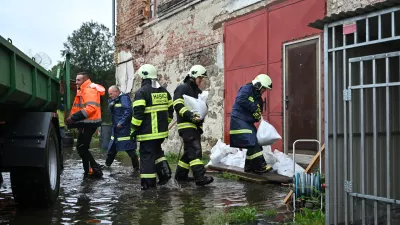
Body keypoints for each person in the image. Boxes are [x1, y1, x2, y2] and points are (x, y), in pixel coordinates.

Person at [130, 64, 174, 190]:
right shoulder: (164, 92)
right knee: (157, 152)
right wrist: (164, 123)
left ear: (144, 76)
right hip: (161, 133)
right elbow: (170, 110)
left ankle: (148, 185)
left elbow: (138, 115)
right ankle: (165, 174)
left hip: (147, 133)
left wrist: (133, 129)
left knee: (147, 157)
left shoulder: (142, 92)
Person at [173, 65, 214, 186]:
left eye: (202, 78)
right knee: (195, 150)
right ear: (193, 76)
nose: (201, 80)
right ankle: (200, 177)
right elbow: (178, 105)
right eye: (200, 78)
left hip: (195, 126)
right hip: (186, 125)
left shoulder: (198, 92)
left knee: (188, 152)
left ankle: (181, 176)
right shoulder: (182, 88)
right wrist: (190, 115)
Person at [229, 74, 273, 174]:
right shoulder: (247, 89)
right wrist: (254, 108)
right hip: (238, 120)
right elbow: (240, 99)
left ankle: (249, 167)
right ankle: (260, 167)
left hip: (247, 122)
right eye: (264, 88)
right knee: (252, 140)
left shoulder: (259, 100)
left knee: (254, 142)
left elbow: (258, 113)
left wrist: (257, 116)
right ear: (258, 85)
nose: (264, 91)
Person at [67, 72, 105, 178]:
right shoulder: (83, 89)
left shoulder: (88, 90)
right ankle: (89, 171)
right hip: (85, 123)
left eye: (78, 80)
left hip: (88, 123)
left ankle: (95, 170)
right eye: (76, 80)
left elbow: (91, 108)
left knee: (82, 148)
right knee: (82, 148)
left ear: (85, 80)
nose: (76, 82)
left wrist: (74, 117)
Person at [102, 85, 139, 172]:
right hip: (116, 130)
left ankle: (136, 168)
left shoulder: (124, 98)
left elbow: (128, 111)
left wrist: (121, 122)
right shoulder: (115, 99)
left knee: (130, 149)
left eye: (111, 94)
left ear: (116, 92)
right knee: (112, 149)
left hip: (124, 130)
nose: (109, 95)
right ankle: (107, 166)